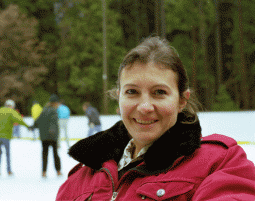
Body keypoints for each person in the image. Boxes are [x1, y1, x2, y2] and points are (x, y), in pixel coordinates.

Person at [56, 37, 255, 200]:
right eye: (132, 92)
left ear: (181, 101)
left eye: (159, 92)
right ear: (119, 98)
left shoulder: (220, 162)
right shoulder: (82, 176)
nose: (144, 107)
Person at [0, 99, 29, 176]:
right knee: (7, 154)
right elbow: (19, 120)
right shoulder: (11, 112)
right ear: (12, 106)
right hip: (6, 136)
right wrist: (28, 126)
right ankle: (9, 170)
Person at [30, 94, 62, 178]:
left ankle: (44, 172)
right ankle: (58, 171)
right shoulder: (54, 110)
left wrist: (32, 127)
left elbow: (38, 121)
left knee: (45, 154)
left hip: (44, 136)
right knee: (55, 154)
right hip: (52, 136)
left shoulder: (43, 110)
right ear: (55, 103)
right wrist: (52, 130)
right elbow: (53, 122)